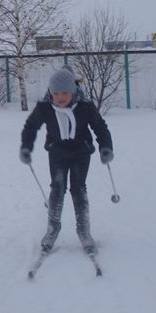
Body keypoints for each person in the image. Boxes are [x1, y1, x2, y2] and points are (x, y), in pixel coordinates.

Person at [19, 67, 113, 255]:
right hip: (57, 152)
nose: (60, 97)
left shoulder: (85, 106)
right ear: (51, 93)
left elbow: (100, 127)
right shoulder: (45, 107)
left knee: (78, 189)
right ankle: (53, 229)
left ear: (73, 91)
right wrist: (26, 147)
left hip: (81, 152)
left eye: (65, 93)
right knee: (58, 187)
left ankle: (84, 231)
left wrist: (106, 147)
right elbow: (31, 126)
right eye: (56, 93)